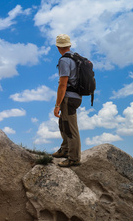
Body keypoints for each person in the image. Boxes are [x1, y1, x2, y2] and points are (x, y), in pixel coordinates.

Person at [52, 34, 82, 167]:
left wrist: (57, 104)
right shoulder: (76, 58)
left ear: (58, 47)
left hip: (68, 97)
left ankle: (74, 158)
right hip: (77, 96)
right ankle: (65, 149)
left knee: (70, 128)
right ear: (69, 45)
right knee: (63, 123)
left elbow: (62, 84)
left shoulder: (64, 60)